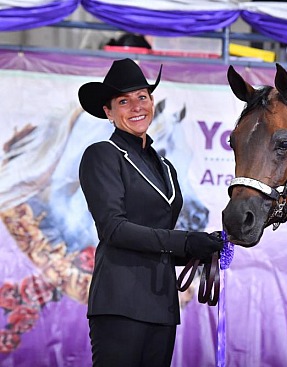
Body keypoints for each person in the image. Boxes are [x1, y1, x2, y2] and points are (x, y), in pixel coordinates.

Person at [78, 58, 223, 367]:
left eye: (142, 97)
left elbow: (160, 241)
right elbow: (113, 230)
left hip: (162, 305)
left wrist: (202, 248)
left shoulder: (166, 167)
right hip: (120, 302)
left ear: (152, 101)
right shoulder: (103, 154)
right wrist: (184, 241)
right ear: (109, 111)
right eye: (123, 101)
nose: (136, 106)